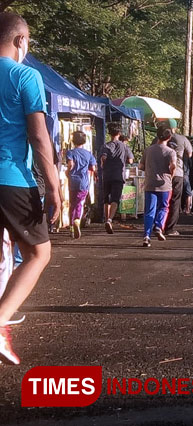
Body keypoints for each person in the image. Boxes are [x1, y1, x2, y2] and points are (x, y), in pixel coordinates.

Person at [0, 12, 61, 364]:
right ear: (21, 40)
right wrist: (53, 186)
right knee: (38, 254)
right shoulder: (25, 75)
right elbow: (39, 136)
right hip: (12, 179)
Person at [139, 126, 177, 248]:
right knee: (164, 207)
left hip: (150, 184)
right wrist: (171, 172)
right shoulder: (171, 152)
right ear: (169, 137)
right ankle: (159, 226)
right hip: (165, 185)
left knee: (149, 210)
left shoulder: (148, 150)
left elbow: (140, 166)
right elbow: (173, 167)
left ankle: (146, 236)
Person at [100, 122, 134, 234]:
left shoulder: (106, 145)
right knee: (115, 199)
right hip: (119, 175)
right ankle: (110, 219)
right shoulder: (124, 146)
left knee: (106, 198)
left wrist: (104, 164)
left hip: (107, 175)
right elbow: (130, 160)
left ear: (109, 133)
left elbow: (103, 158)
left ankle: (105, 219)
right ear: (119, 133)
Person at [162, 121, 192, 236]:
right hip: (178, 172)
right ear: (175, 127)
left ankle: (158, 225)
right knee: (175, 200)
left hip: (162, 173)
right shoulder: (182, 139)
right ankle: (170, 228)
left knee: (162, 200)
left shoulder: (158, 138)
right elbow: (190, 154)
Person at [65, 131, 96, 239]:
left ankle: (71, 228)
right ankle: (77, 220)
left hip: (72, 180)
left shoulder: (70, 152)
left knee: (72, 203)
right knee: (80, 203)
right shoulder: (88, 154)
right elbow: (93, 168)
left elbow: (70, 164)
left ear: (73, 141)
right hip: (83, 181)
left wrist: (67, 172)